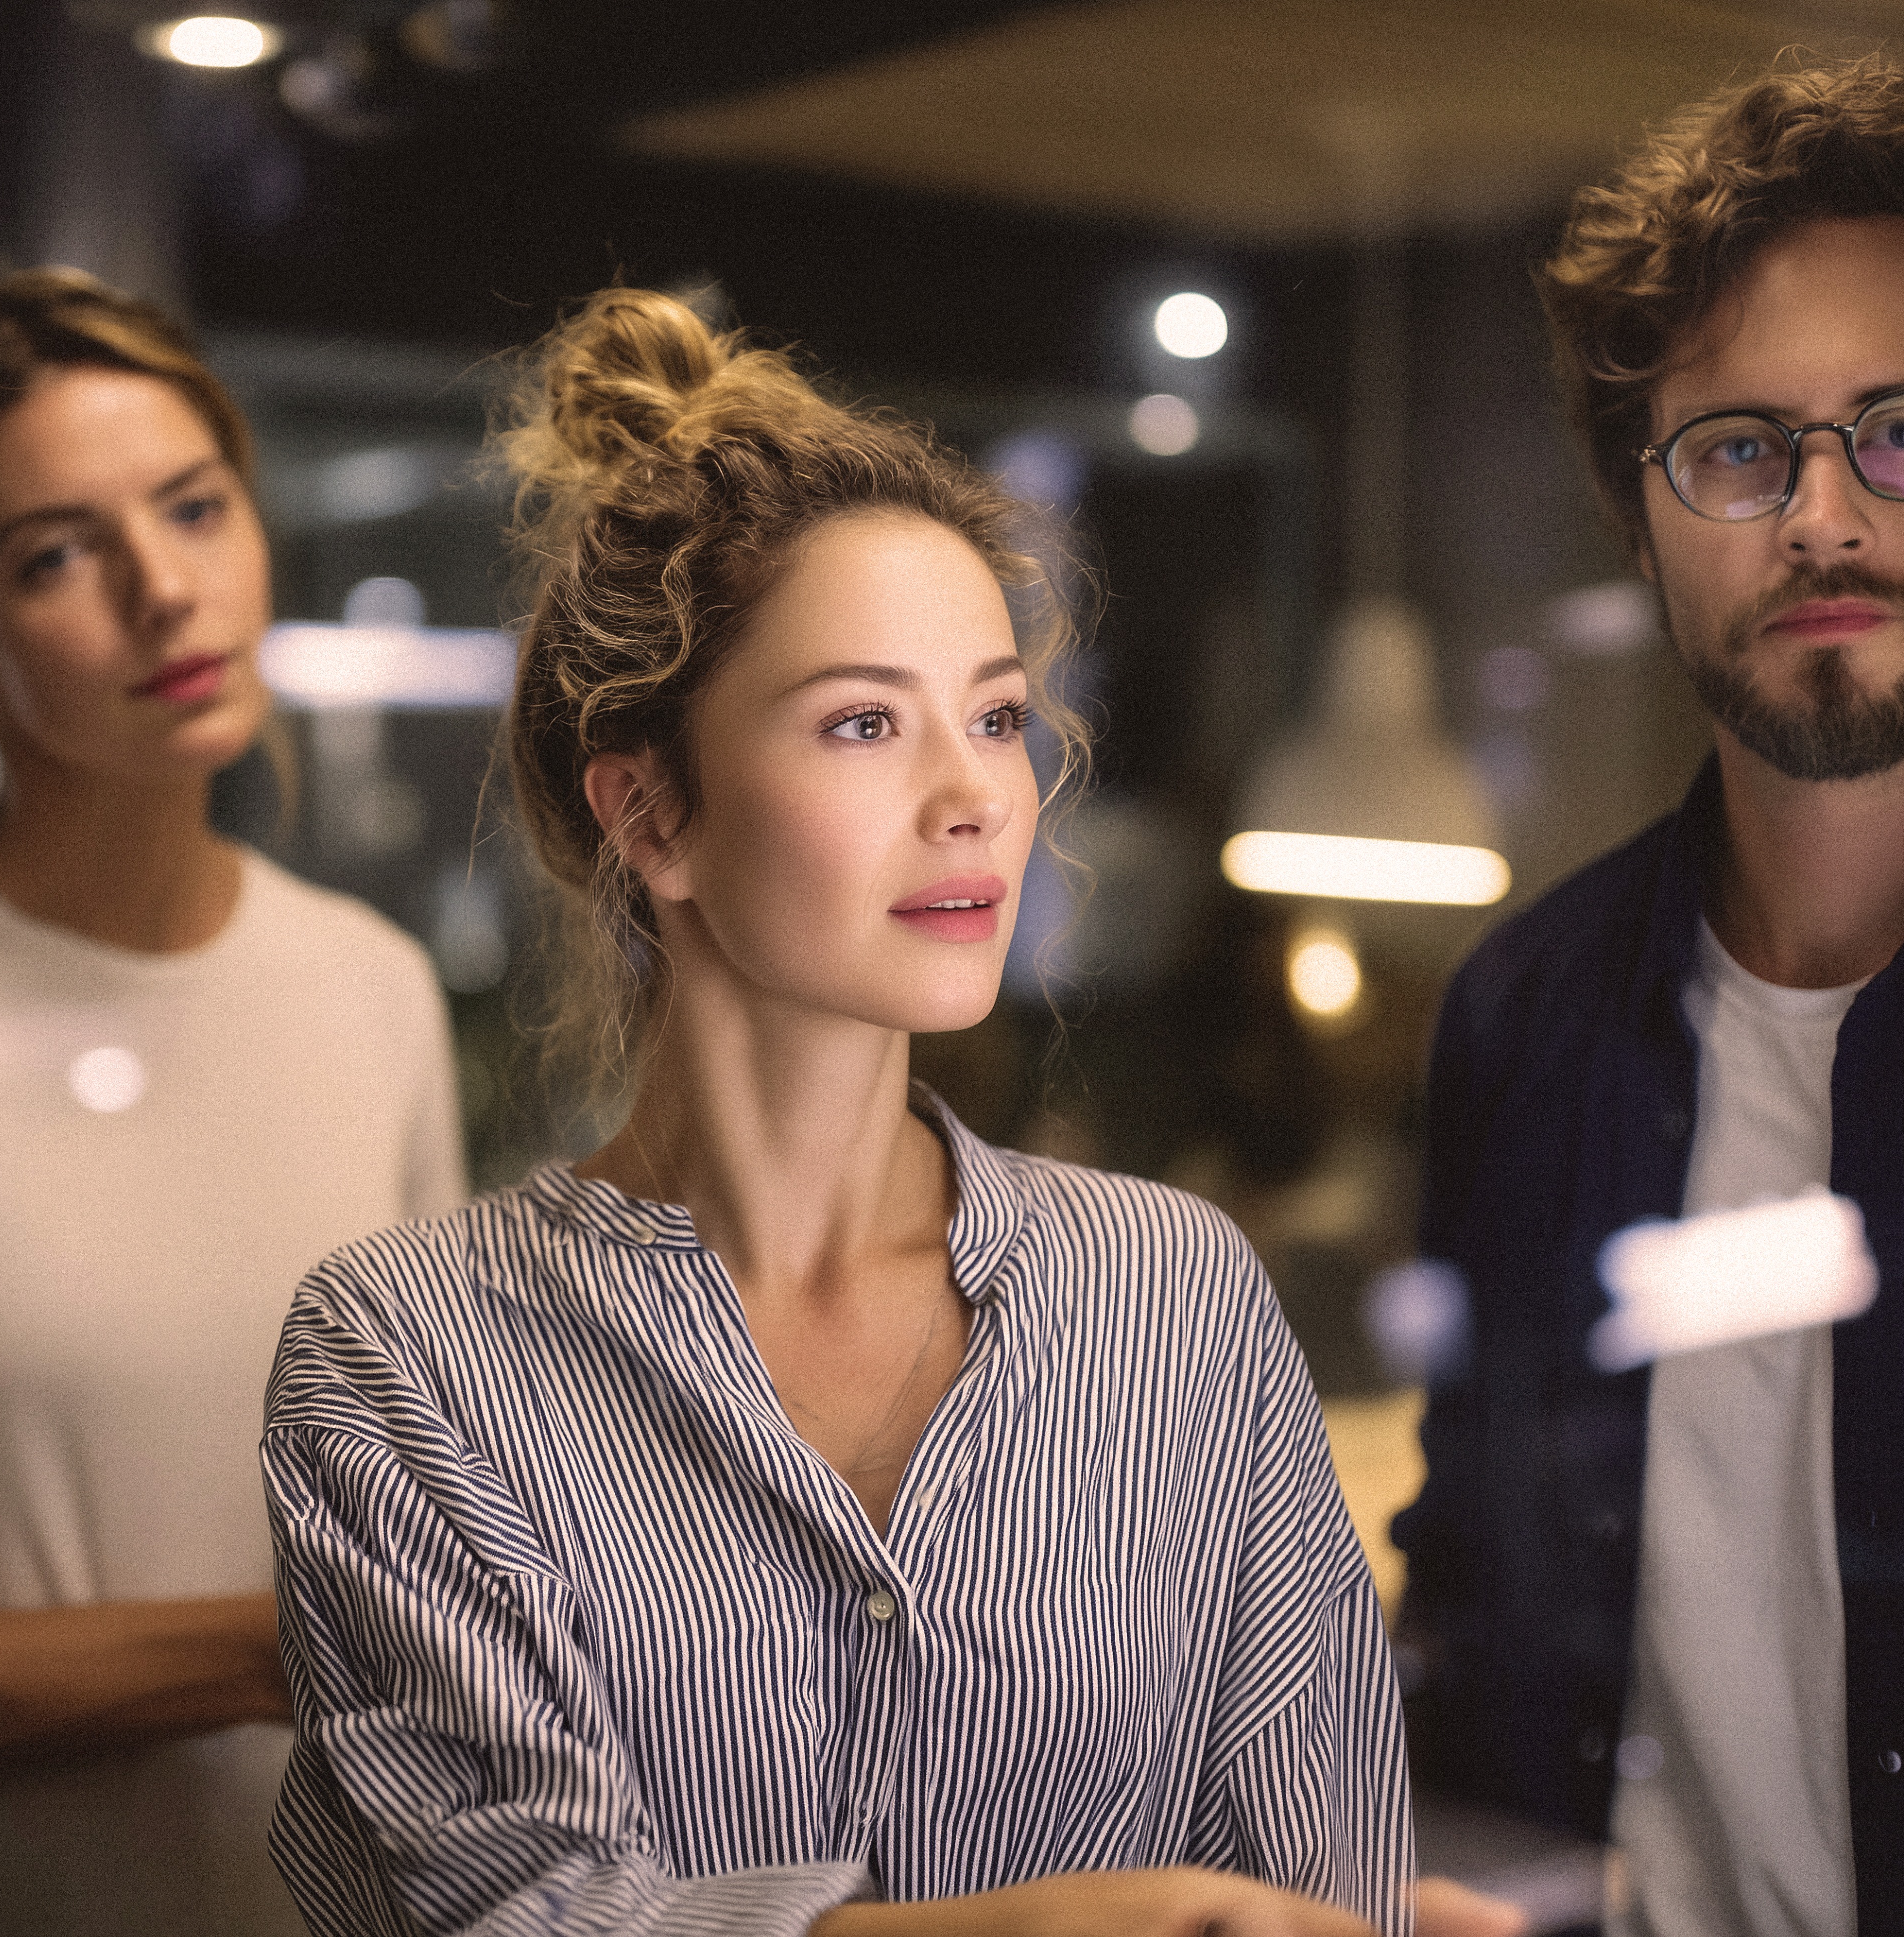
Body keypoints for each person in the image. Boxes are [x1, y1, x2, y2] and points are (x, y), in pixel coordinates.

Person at [262, 289, 1411, 1937]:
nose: (975, 797)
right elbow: (506, 1911)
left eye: (996, 716)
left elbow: (1325, 1887)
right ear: (653, 814)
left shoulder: (1178, 1295)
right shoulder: (405, 1358)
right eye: (865, 723)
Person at [0, 266, 464, 1937]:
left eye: (195, 509)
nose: (165, 591)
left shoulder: (373, 989)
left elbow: (424, 1528)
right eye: (58, 554)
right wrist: (264, 1655)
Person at [1391, 56, 1904, 1937]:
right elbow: (1472, 1594)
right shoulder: (1525, 1016)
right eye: (1738, 450)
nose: (1822, 516)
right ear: (1638, 521)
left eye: (1903, 430)